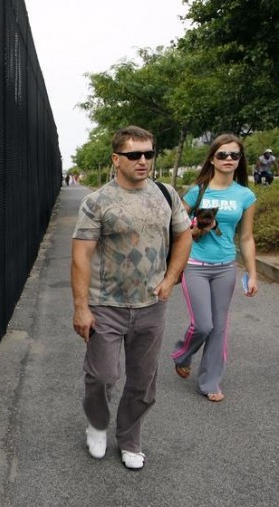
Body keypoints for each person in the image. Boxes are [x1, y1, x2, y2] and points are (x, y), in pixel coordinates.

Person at [71, 126, 191, 470]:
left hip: (152, 306)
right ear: (116, 159)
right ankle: (96, 423)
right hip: (105, 305)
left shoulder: (167, 195)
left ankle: (130, 439)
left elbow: (184, 238)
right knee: (102, 376)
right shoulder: (97, 202)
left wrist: (170, 279)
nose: (143, 161)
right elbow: (81, 255)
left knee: (143, 380)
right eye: (134, 155)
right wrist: (81, 308)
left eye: (149, 154)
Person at [172, 133, 258, 402]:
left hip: (225, 268)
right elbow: (177, 223)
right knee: (203, 325)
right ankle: (182, 354)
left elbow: (246, 237)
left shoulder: (246, 195)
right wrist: (195, 227)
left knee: (219, 327)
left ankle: (210, 382)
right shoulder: (198, 190)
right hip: (195, 265)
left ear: (240, 160)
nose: (229, 159)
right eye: (222, 154)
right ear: (212, 158)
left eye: (234, 155)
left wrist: (252, 273)